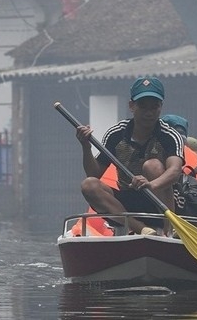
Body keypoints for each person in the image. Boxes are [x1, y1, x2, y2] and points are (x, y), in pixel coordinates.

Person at [76, 77, 184, 236]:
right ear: (132, 106)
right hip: (127, 203)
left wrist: (151, 185)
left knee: (152, 165)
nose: (149, 112)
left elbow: (175, 171)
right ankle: (141, 229)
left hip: (161, 199)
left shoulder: (169, 135)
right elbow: (94, 174)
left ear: (160, 107)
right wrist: (85, 146)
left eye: (154, 107)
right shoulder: (116, 134)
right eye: (143, 106)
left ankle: (169, 232)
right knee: (89, 185)